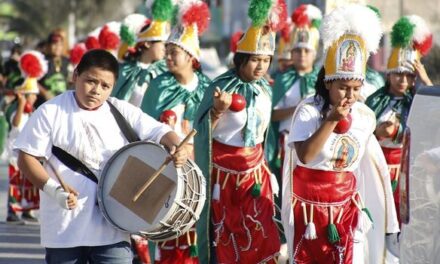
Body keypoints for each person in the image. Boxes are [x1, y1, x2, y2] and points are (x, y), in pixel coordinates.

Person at [13, 49, 189, 264]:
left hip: (113, 227)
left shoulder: (121, 110)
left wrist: (177, 146)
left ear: (112, 87)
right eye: (90, 81)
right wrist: (54, 190)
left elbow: (160, 131)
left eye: (105, 86)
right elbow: (26, 157)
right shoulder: (50, 112)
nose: (96, 90)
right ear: (75, 76)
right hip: (64, 228)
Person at [281, 5, 400, 263]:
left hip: (347, 209)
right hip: (310, 213)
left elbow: (372, 164)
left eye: (356, 88)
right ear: (328, 83)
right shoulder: (309, 111)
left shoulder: (365, 116)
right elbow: (306, 157)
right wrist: (331, 122)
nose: (350, 95)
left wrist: (388, 220)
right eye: (343, 87)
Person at [194, 0, 287, 262]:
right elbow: (200, 131)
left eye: (266, 60)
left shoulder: (266, 89)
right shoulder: (221, 86)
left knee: (262, 234)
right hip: (224, 177)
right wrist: (217, 111)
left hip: (255, 175)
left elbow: (265, 135)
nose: (261, 67)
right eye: (255, 60)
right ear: (242, 58)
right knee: (229, 236)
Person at [141, 1, 211, 262]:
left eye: (174, 52)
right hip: (164, 165)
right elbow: (145, 126)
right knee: (164, 226)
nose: (168, 57)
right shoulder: (159, 86)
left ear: (191, 56)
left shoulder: (207, 86)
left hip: (198, 167)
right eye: (167, 51)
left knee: (195, 228)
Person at [366, 15, 433, 227]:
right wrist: (377, 132)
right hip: (377, 165)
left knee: (402, 220)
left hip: (408, 169)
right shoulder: (375, 100)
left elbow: (434, 115)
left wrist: (426, 80)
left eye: (409, 76)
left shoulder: (418, 100)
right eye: (398, 74)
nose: (403, 81)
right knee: (377, 217)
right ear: (388, 74)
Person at [268, 4, 322, 178]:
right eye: (297, 50)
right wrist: (298, 107)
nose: (302, 54)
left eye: (307, 50)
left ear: (314, 54)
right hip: (287, 143)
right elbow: (272, 115)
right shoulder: (283, 79)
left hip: (315, 143)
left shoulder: (322, 80)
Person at [5, 51, 47, 223]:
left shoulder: (32, 111)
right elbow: (15, 124)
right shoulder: (17, 109)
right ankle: (12, 211)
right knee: (16, 184)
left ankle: (27, 210)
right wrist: (21, 104)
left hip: (27, 152)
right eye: (32, 94)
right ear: (24, 95)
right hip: (16, 153)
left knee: (28, 184)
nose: (35, 97)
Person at [111, 1, 172, 107]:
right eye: (163, 44)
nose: (165, 49)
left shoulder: (165, 71)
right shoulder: (125, 70)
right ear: (148, 43)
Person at [37, 32, 70, 107]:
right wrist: (45, 93)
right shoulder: (41, 60)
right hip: (44, 104)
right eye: (54, 44)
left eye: (60, 45)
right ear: (48, 46)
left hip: (62, 103)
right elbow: (32, 80)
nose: (57, 47)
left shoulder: (66, 61)